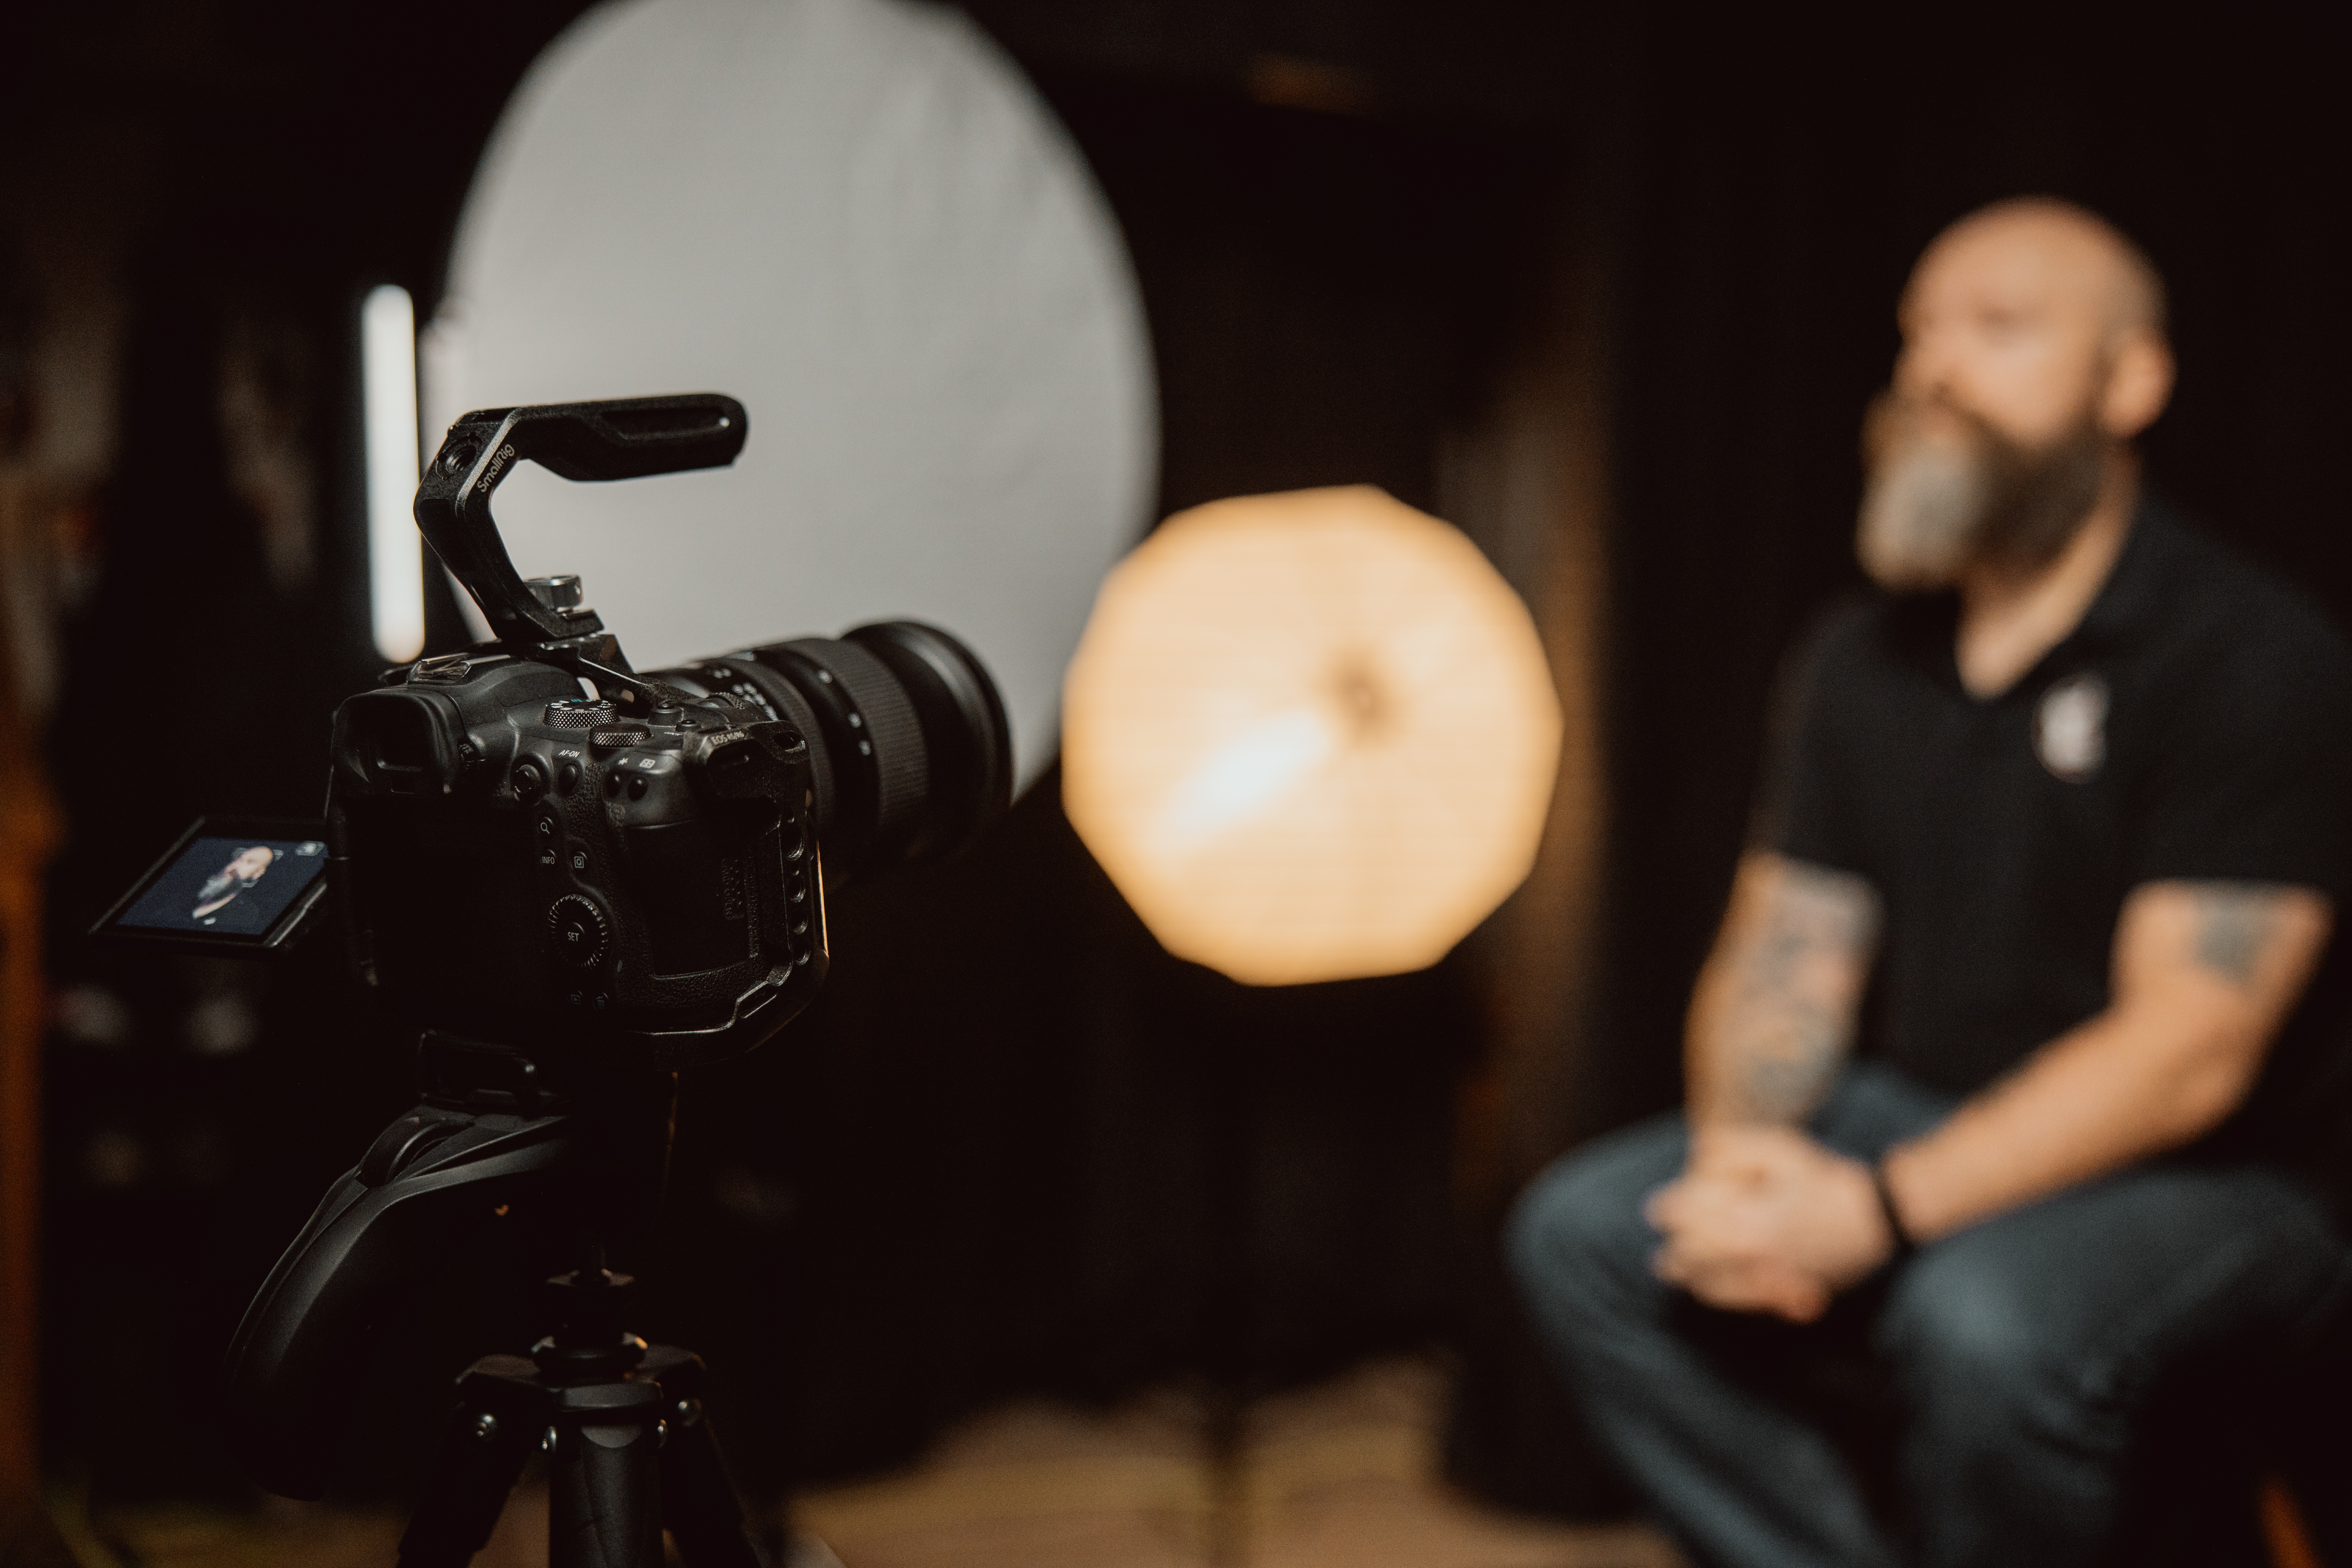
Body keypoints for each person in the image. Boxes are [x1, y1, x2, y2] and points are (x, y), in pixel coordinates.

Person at [1508, 197, 2352, 1568]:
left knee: (1978, 1319)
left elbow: (2189, 1053)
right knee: (1588, 1235)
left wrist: (1873, 1212)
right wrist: (1749, 1166)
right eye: (1916, 335)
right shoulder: (1859, 659)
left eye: (2000, 331)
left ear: (2129, 381)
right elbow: (1786, 954)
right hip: (1930, 1106)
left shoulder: (2250, 658)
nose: (1932, 373)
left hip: (2230, 1177)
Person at [193, 843, 275, 920]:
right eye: (239, 858)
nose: (238, 863)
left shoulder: (245, 914)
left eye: (250, 862)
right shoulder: (195, 887)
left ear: (259, 872)